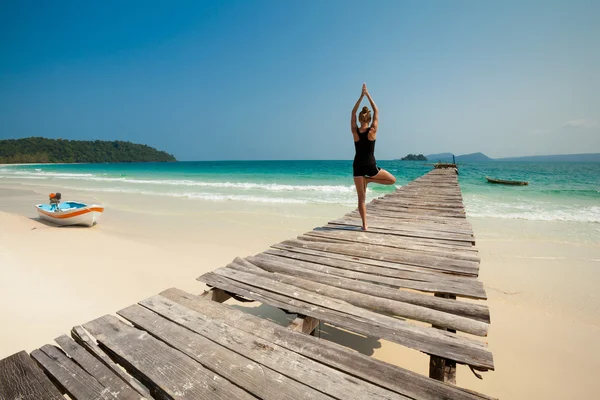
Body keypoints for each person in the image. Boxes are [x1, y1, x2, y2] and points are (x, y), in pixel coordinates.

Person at [351, 83, 396, 230]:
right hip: (371, 166)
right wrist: (368, 95)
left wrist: (360, 96)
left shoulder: (355, 131)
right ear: (369, 119)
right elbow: (377, 110)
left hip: (357, 165)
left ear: (359, 119)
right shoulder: (373, 130)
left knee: (361, 199)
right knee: (392, 180)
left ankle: (365, 226)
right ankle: (369, 179)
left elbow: (352, 112)